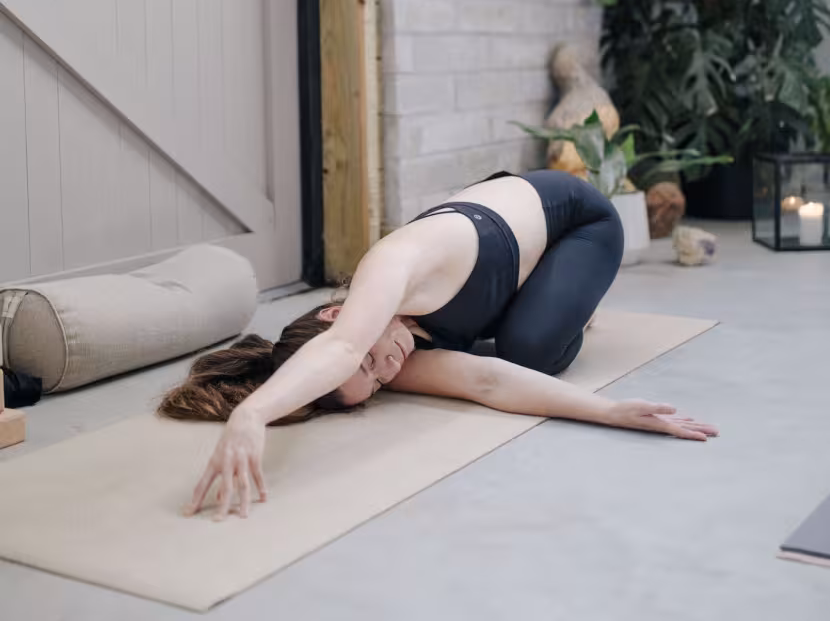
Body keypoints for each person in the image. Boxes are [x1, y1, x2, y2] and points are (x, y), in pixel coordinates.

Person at [158, 170, 718, 520]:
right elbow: (487, 381)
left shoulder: (389, 266)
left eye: (372, 360)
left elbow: (345, 351)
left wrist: (252, 416)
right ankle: (543, 296)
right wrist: (610, 411)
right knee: (503, 359)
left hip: (575, 219)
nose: (389, 367)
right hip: (511, 245)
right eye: (378, 382)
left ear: (336, 313)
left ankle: (565, 297)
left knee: (530, 348)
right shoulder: (383, 358)